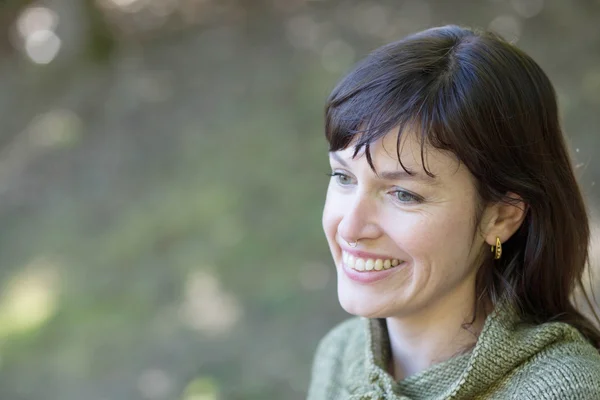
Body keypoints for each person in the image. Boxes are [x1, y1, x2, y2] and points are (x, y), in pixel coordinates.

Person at [307, 25, 600, 399]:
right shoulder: (340, 354)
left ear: (500, 218)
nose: (351, 226)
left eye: (403, 194)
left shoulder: (561, 390)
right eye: (343, 177)